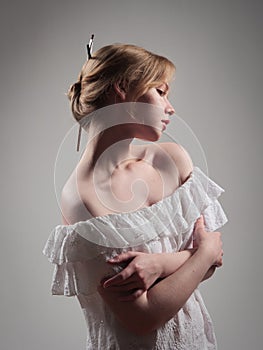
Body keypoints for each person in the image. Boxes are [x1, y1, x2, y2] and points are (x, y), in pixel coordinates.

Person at [43, 42, 228, 349]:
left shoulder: (172, 159)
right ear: (123, 88)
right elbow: (141, 318)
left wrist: (159, 263)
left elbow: (214, 257)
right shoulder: (81, 198)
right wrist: (200, 253)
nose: (171, 107)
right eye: (161, 91)